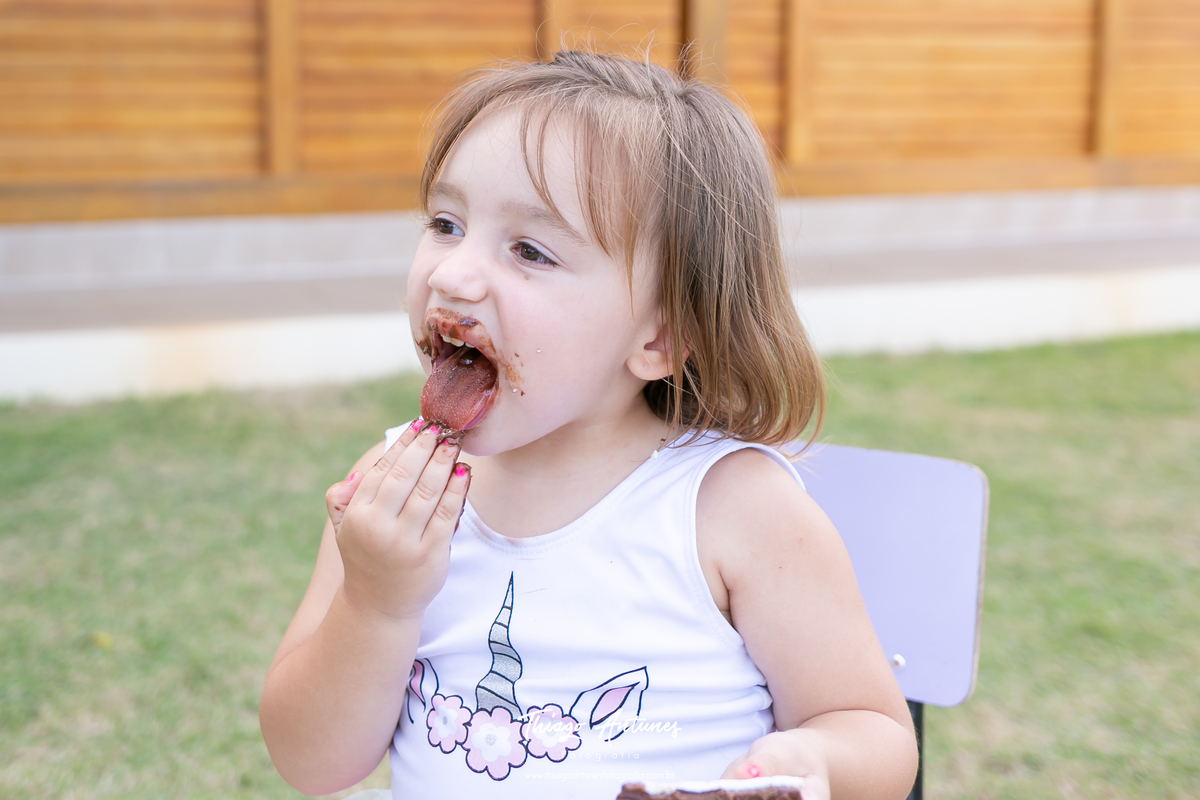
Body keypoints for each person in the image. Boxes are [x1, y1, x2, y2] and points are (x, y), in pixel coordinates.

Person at [259, 50, 918, 800]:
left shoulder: (732, 510)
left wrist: (817, 760)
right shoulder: (389, 502)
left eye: (530, 250)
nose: (452, 275)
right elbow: (311, 764)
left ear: (660, 339)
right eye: (446, 223)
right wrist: (376, 602)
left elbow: (872, 727)